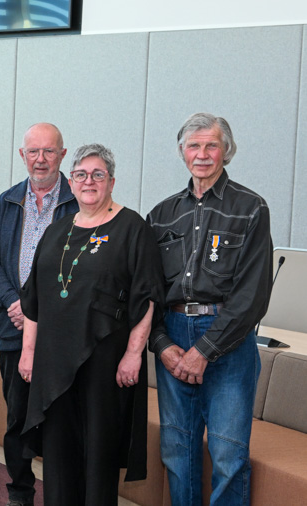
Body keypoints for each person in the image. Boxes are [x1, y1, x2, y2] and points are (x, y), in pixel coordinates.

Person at [18, 144, 163, 505]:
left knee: (98, 451)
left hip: (105, 360)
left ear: (111, 181)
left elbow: (147, 296)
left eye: (98, 175)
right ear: (70, 182)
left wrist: (134, 354)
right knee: (58, 452)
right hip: (54, 361)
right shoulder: (57, 230)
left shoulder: (133, 228)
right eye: (81, 175)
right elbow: (33, 299)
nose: (89, 182)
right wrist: (28, 352)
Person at [147, 113, 273, 505]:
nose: (202, 154)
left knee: (228, 453)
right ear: (182, 152)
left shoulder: (251, 208)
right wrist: (162, 344)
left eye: (211, 146)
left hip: (228, 340)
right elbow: (147, 292)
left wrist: (203, 351)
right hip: (172, 335)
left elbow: (252, 296)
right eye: (194, 146)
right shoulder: (161, 215)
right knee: (177, 450)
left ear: (226, 151)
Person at [0, 123, 77, 506]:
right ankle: (21, 492)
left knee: (62, 421)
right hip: (14, 328)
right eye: (33, 152)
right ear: (22, 155)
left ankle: (62, 493)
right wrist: (16, 304)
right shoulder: (5, 203)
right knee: (17, 420)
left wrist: (44, 313)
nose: (40, 159)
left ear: (62, 154)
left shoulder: (79, 203)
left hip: (62, 335)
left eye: (49, 151)